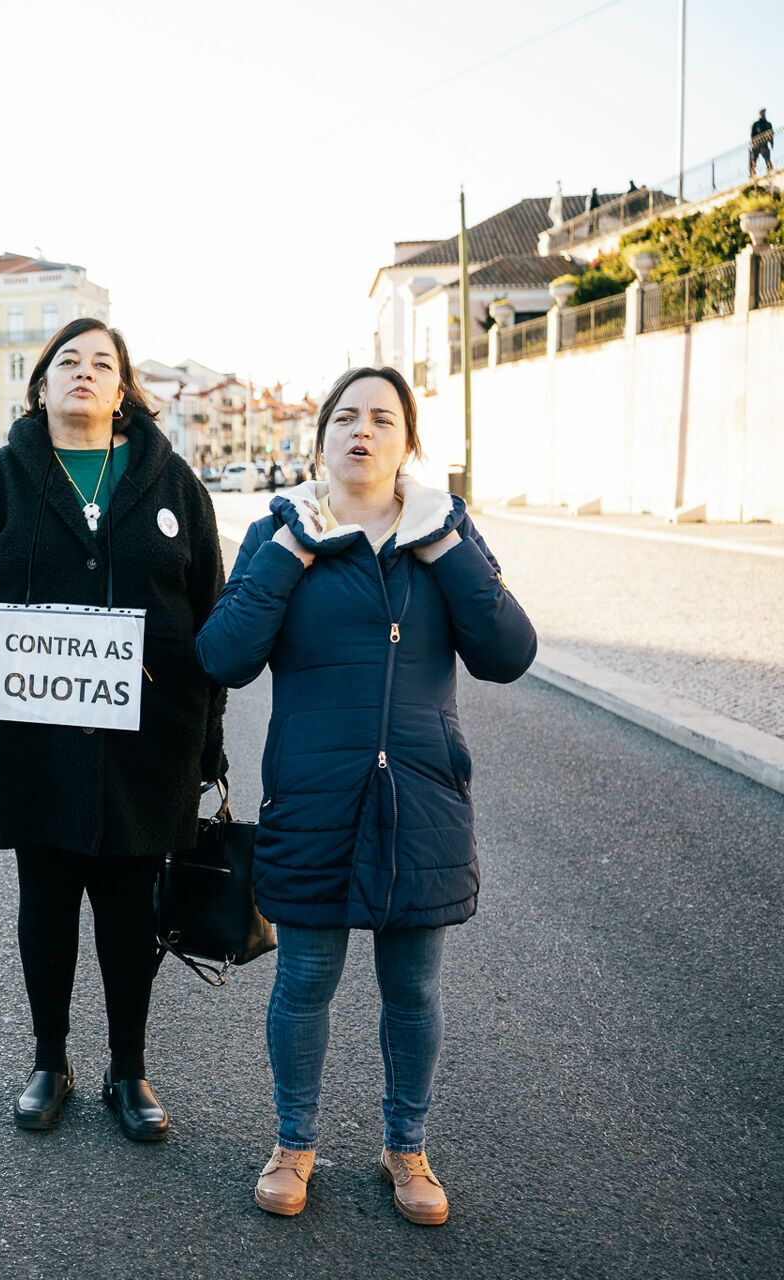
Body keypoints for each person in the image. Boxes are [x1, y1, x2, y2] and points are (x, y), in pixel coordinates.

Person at [195, 367, 536, 1227]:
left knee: (413, 989)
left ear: (407, 443)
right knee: (305, 978)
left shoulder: (445, 533)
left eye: (383, 419)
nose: (362, 430)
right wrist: (291, 551)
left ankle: (407, 1148)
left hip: (423, 797)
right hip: (314, 796)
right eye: (345, 417)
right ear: (318, 443)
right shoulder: (281, 531)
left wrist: (447, 545)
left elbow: (507, 651)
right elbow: (223, 653)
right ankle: (294, 1143)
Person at [0, 319, 225, 1145]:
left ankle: (127, 1069)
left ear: (124, 387)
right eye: (69, 362)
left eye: (104, 363)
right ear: (42, 385)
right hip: (36, 745)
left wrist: (207, 745)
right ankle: (49, 1059)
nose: (86, 374)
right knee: (47, 904)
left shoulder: (174, 488)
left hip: (146, 745)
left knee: (132, 914)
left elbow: (212, 618)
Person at [753, 109, 774, 179]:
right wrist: (754, 142)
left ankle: (770, 171)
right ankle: (752, 174)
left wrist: (771, 143)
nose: (763, 114)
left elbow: (771, 134)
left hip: (764, 145)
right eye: (762, 113)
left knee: (767, 159)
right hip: (757, 145)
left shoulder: (768, 124)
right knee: (754, 161)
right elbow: (752, 135)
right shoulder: (756, 124)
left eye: (764, 113)